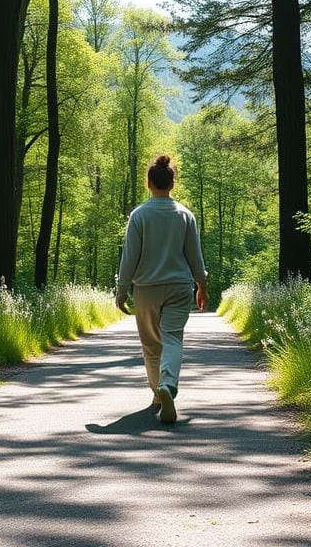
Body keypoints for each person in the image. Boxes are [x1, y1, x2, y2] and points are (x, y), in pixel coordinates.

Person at [115, 154, 208, 424]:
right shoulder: (185, 215)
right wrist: (201, 285)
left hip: (146, 289)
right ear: (172, 184)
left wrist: (122, 289)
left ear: (149, 183)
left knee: (151, 345)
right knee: (173, 339)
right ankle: (168, 386)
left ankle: (158, 393)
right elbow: (195, 255)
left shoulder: (140, 215)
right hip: (179, 286)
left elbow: (130, 256)